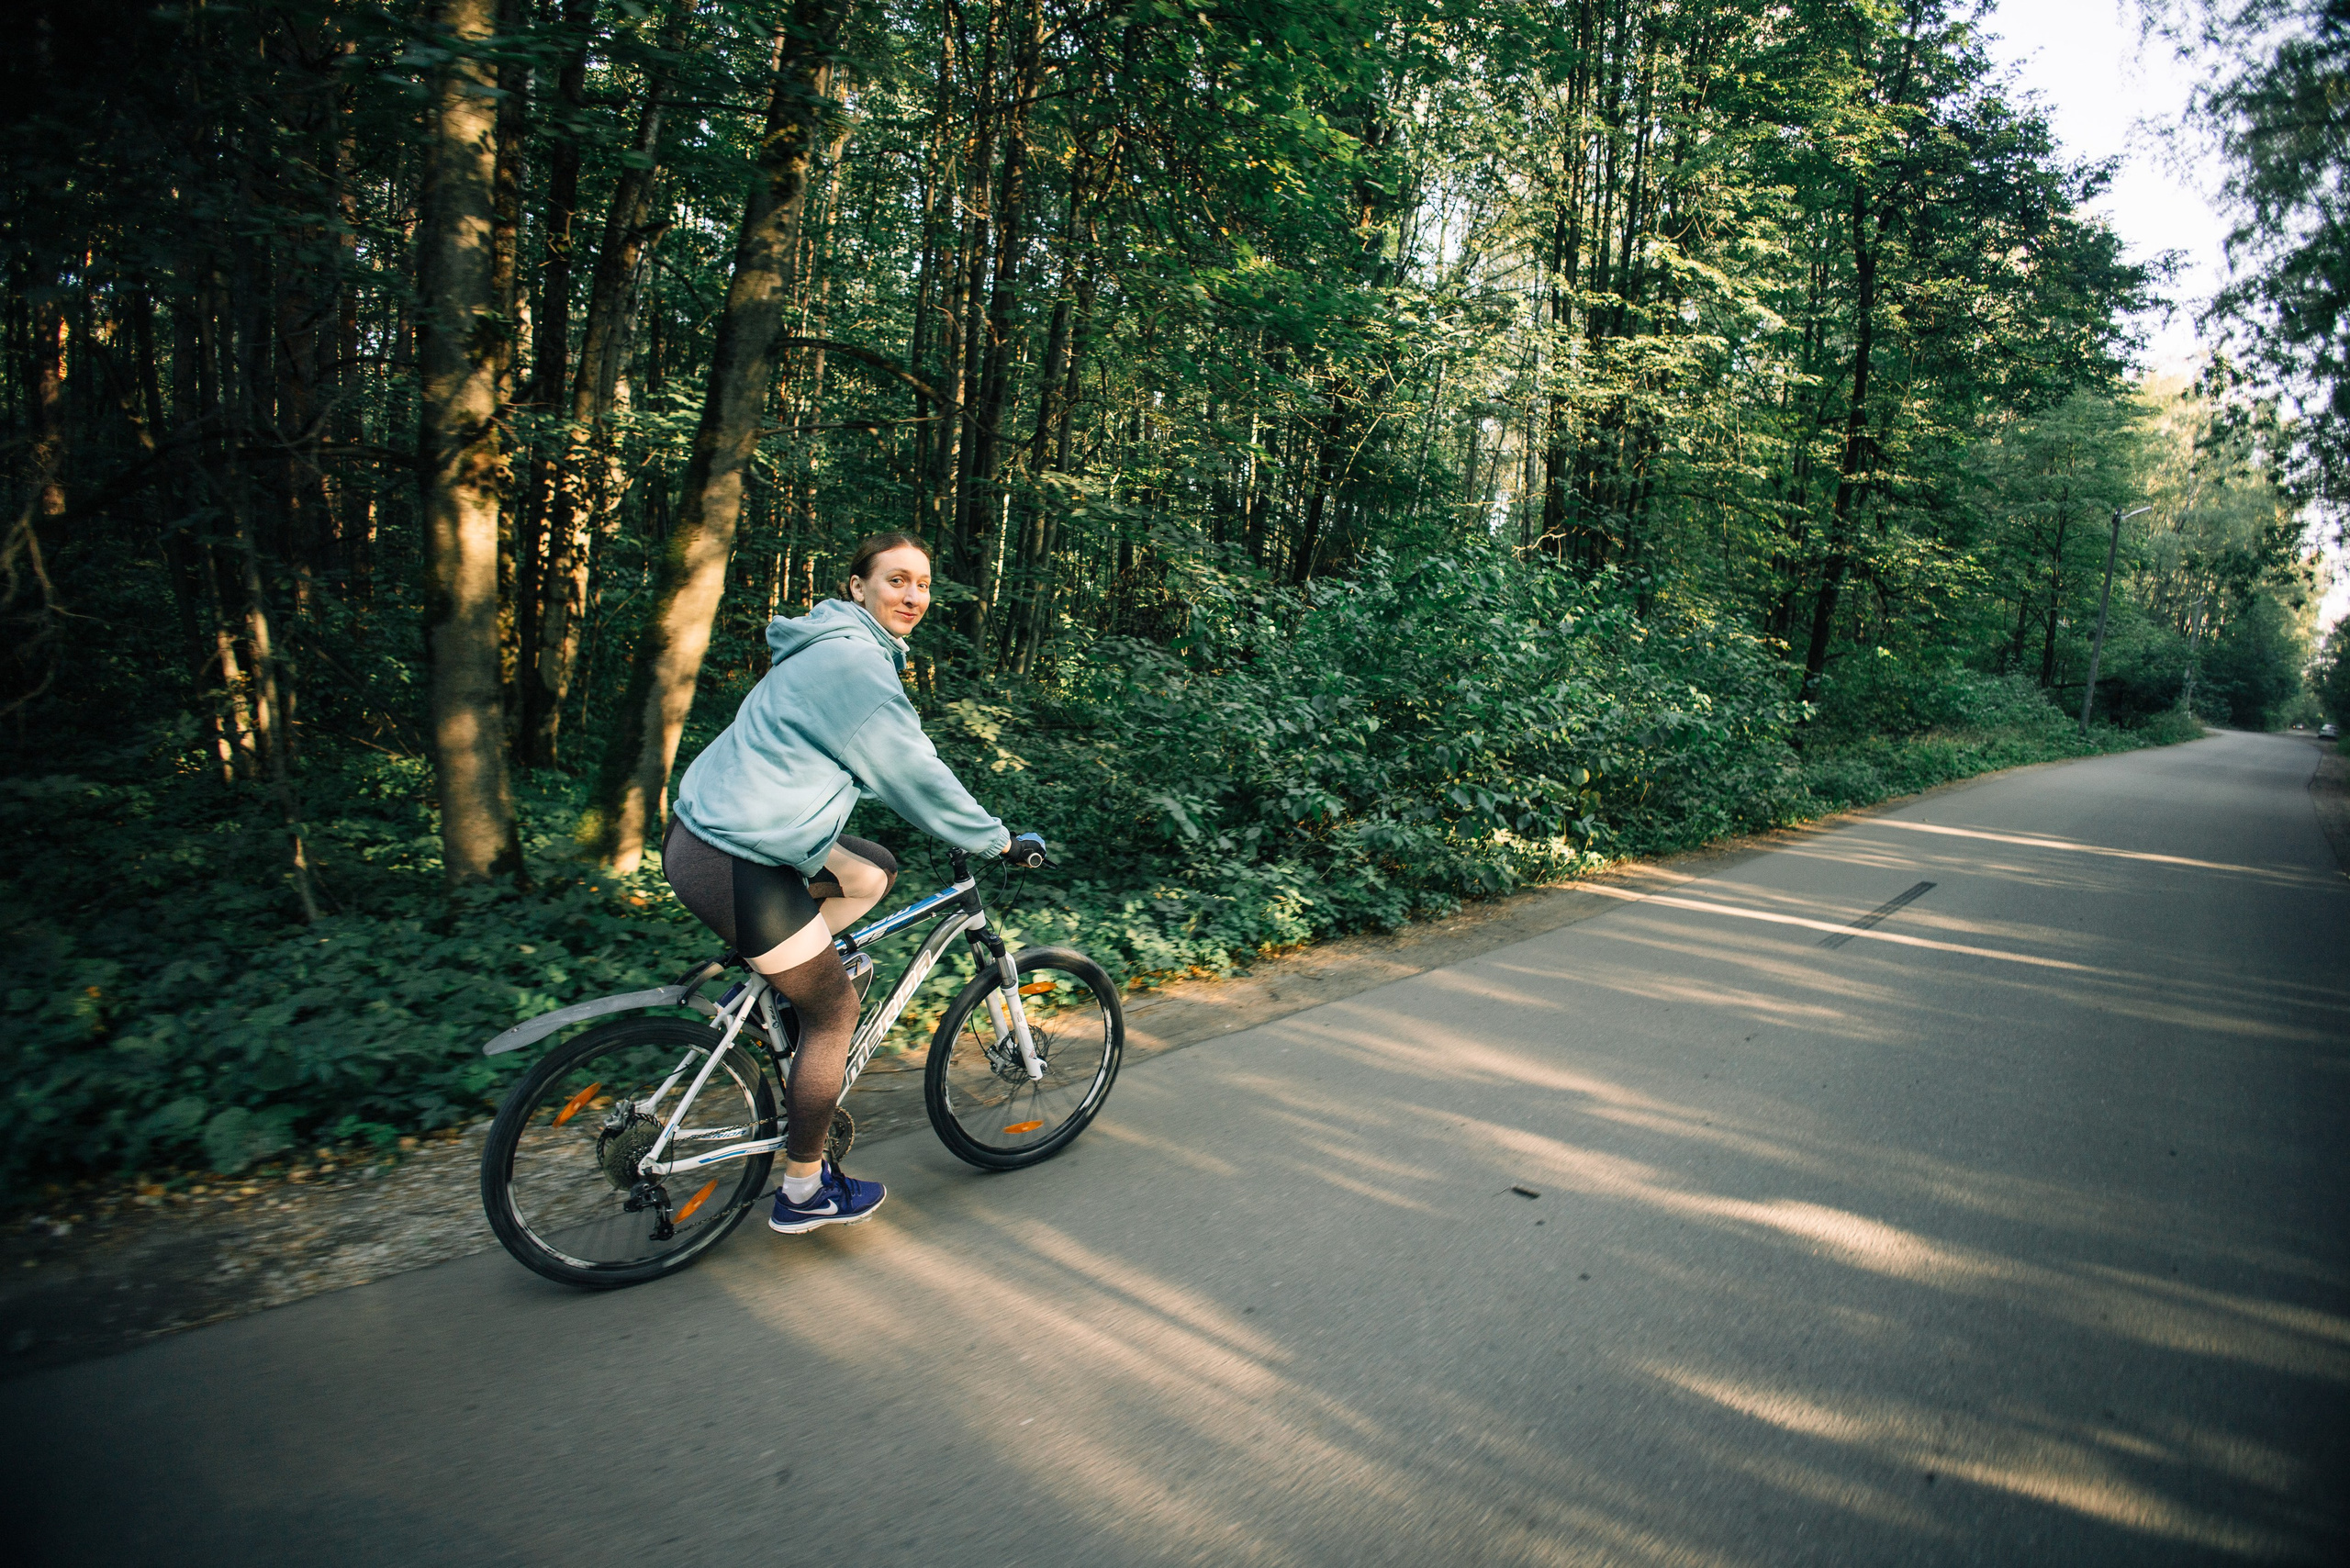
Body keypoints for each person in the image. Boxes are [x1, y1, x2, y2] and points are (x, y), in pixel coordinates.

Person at [664, 532, 1016, 1235]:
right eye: (895, 581)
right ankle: (803, 1192)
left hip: (717, 834)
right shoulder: (856, 665)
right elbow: (912, 770)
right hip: (736, 858)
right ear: (858, 586)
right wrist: (995, 839)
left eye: (921, 583)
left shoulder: (829, 645)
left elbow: (840, 757)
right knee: (835, 1012)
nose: (912, 596)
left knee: (872, 868)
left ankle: (773, 980)